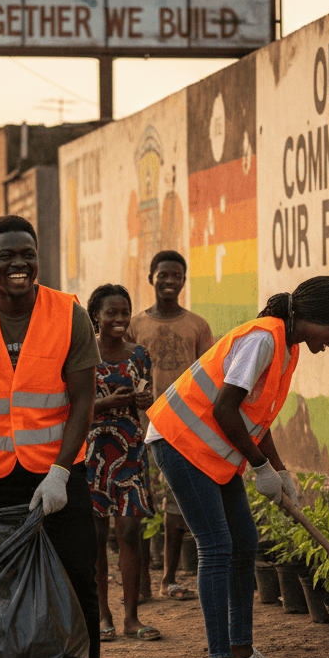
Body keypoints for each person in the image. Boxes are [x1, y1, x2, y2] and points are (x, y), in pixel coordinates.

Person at [147, 276, 329, 658]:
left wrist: (280, 471)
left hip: (210, 451)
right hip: (179, 441)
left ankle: (242, 653)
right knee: (216, 546)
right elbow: (225, 408)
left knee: (245, 541)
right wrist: (260, 467)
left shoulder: (287, 347)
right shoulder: (264, 339)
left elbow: (254, 417)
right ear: (312, 317)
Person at [0, 214, 103, 658]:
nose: (19, 264)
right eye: (7, 256)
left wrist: (59, 473)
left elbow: (83, 401)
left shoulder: (67, 313)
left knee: (76, 579)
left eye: (28, 255)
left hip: (58, 475)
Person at [127, 249, 214, 601]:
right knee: (141, 503)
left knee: (175, 505)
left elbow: (208, 375)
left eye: (176, 275)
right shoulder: (135, 325)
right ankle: (143, 581)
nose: (169, 281)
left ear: (183, 280)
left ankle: (169, 578)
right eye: (162, 274)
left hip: (181, 428)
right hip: (140, 426)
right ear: (151, 277)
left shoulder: (197, 325)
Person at [86, 284, 159, 643]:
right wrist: (106, 402)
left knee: (129, 532)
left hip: (130, 448)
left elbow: (148, 402)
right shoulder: (82, 355)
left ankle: (132, 618)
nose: (119, 319)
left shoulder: (140, 355)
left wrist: (145, 400)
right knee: (96, 537)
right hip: (93, 451)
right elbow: (70, 408)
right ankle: (103, 615)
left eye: (124, 312)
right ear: (95, 316)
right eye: (111, 313)